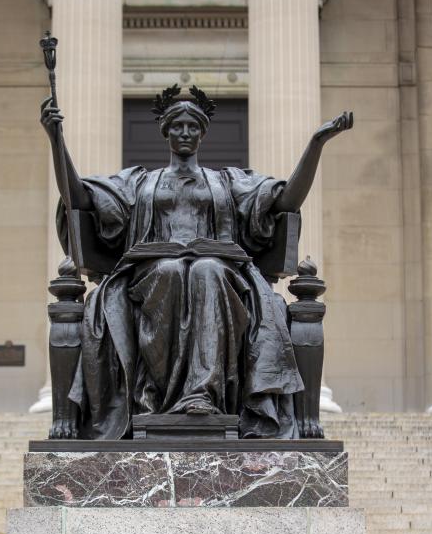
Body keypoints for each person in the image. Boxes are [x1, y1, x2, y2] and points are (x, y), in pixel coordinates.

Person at [41, 84, 352, 439]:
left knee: (206, 270)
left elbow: (284, 201)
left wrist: (315, 145)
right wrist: (56, 140)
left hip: (220, 271)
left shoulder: (227, 182)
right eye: (177, 126)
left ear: (202, 133)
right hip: (151, 272)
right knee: (170, 271)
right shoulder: (140, 182)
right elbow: (80, 197)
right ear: (166, 131)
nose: (185, 133)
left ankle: (201, 395)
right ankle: (153, 395)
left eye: (192, 127)